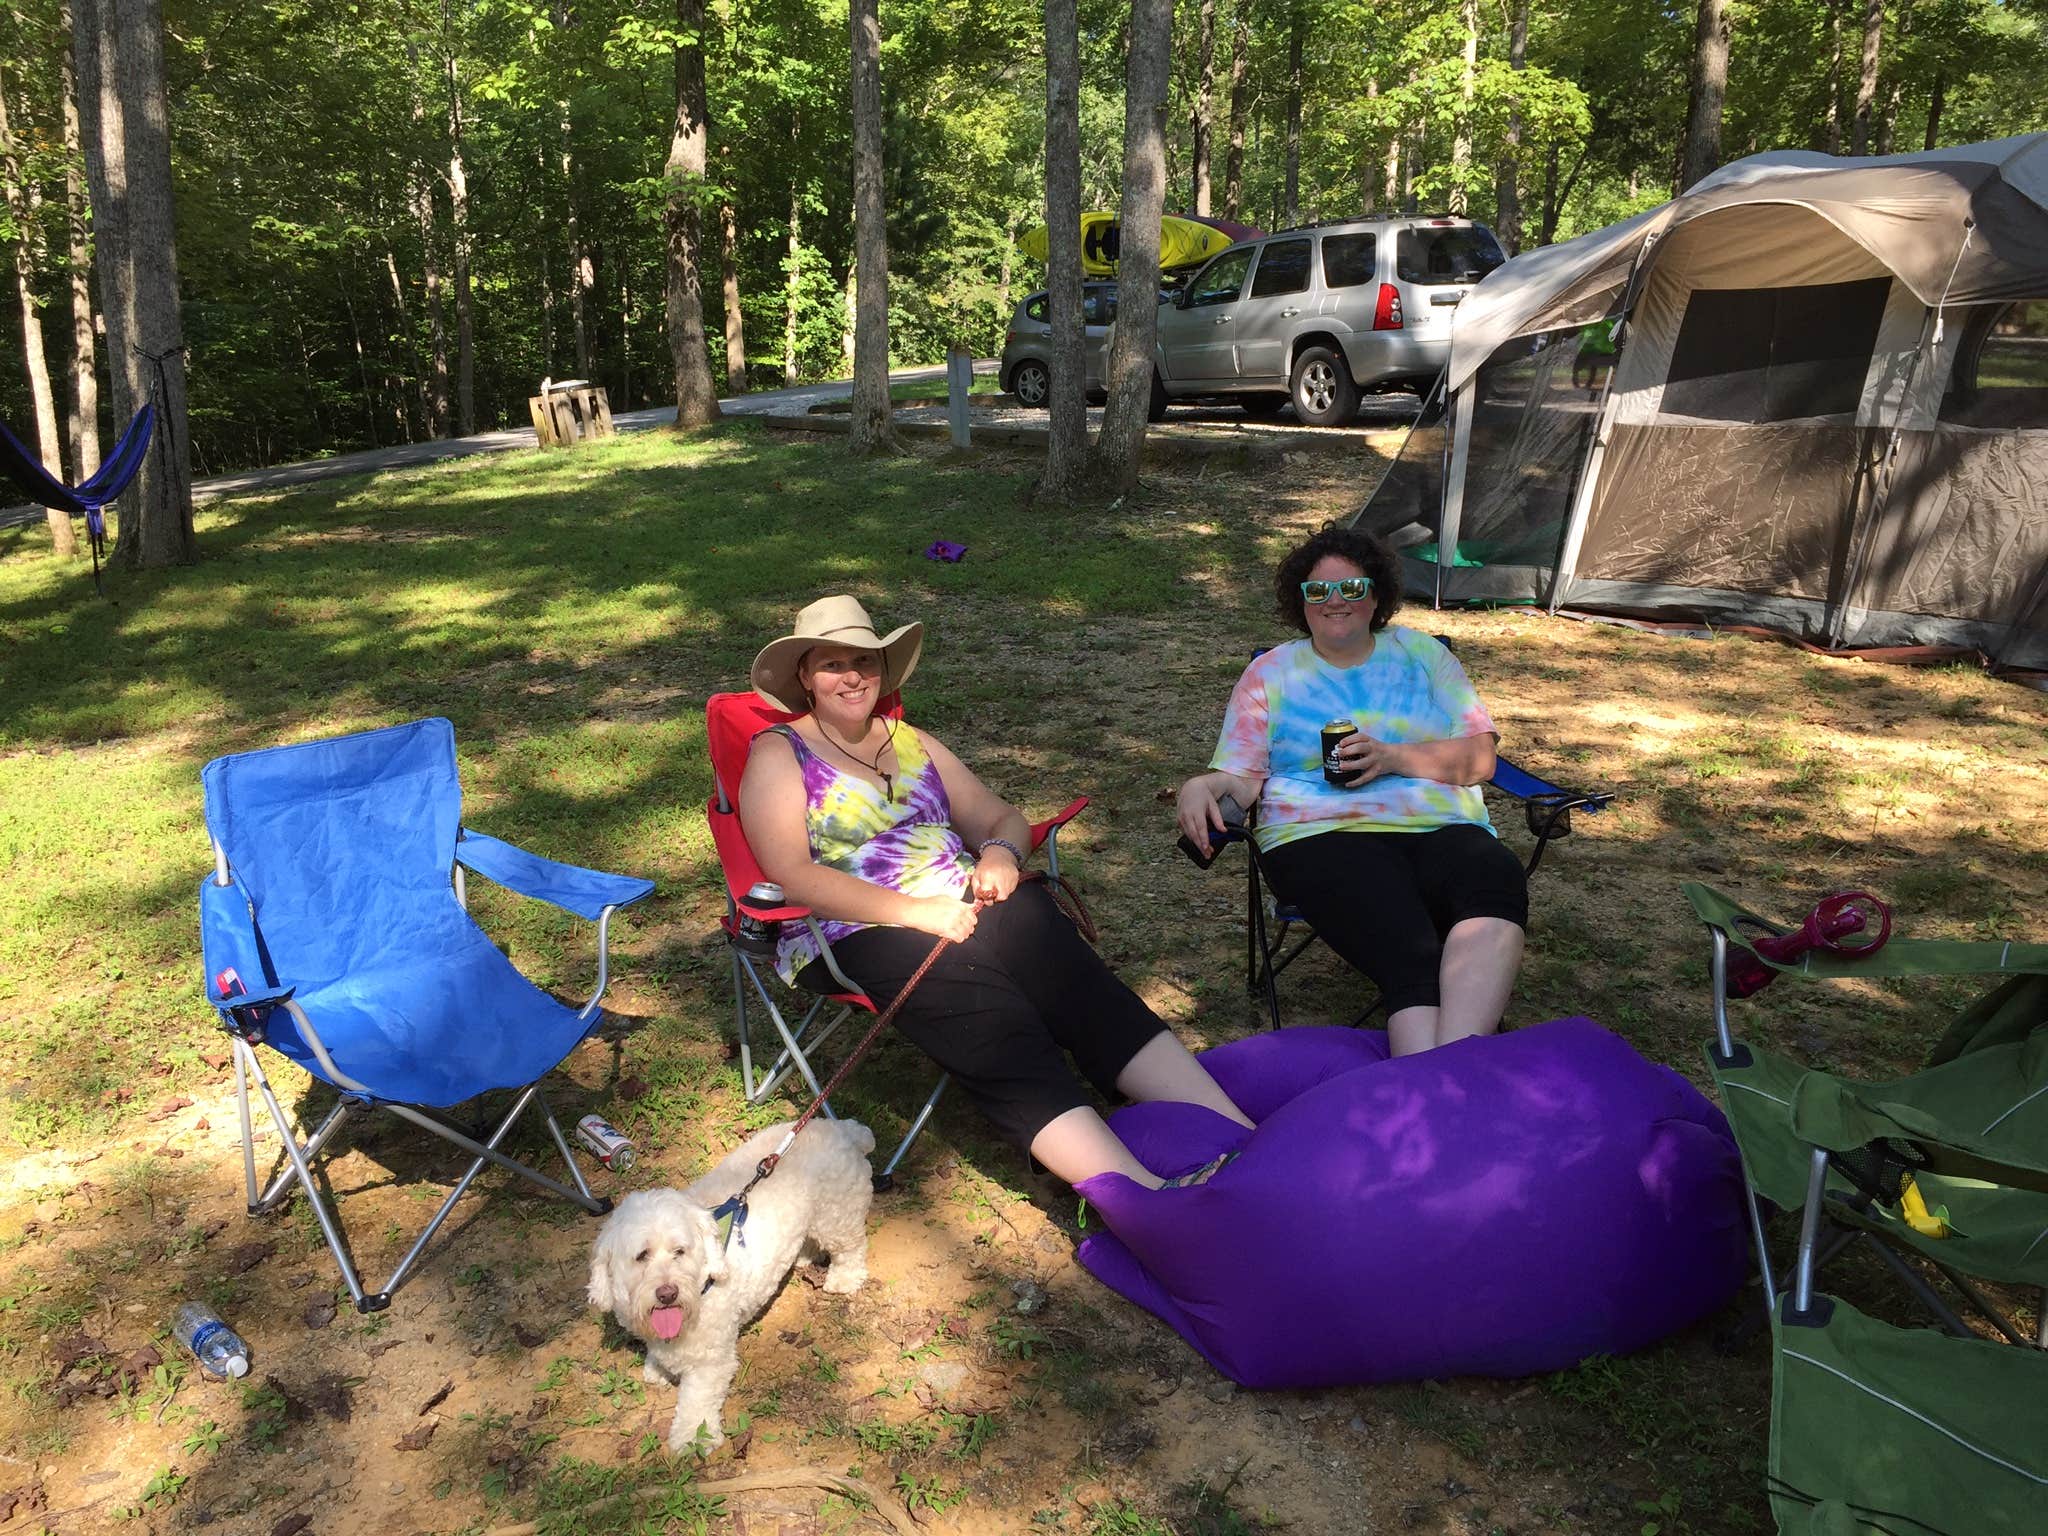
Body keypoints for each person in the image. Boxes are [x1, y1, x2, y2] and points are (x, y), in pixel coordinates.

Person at [740, 595, 1254, 1188]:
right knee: (986, 1015)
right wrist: (915, 913)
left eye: (865, 660)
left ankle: (1237, 1132)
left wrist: (1000, 854)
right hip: (849, 926)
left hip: (961, 898)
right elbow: (791, 875)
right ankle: (1136, 1191)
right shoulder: (780, 752)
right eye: (833, 664)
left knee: (1057, 953)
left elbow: (1001, 816)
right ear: (805, 675)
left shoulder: (910, 740)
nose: (852, 676)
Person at [1175, 526, 1527, 1056]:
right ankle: (1460, 1076)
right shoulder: (1269, 674)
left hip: (1443, 826)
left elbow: (1480, 760)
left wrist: (1391, 757)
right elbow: (1242, 779)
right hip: (1319, 835)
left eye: (1352, 588)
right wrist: (1201, 784)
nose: (1335, 601)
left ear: (1376, 595)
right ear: (1301, 602)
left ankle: (1452, 1069)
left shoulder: (1424, 656)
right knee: (1412, 952)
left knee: (1493, 882)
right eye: (1318, 590)